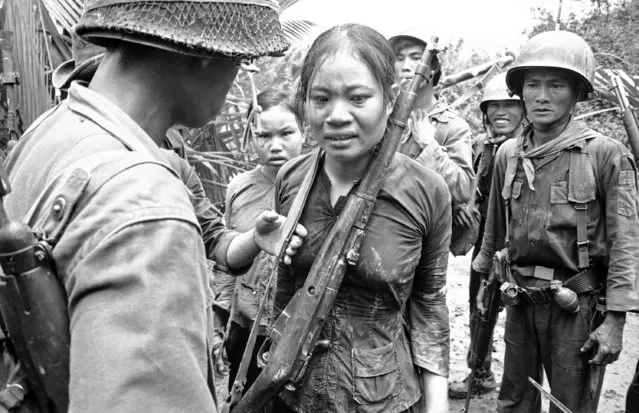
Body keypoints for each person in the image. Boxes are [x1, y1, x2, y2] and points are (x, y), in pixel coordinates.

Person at [2, 1, 307, 412]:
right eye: (241, 59)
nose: (238, 76)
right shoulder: (146, 203)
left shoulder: (48, 133)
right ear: (202, 54)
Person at [271, 24, 451, 413]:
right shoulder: (292, 179)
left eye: (358, 98)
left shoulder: (426, 190)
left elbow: (429, 306)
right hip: (292, 393)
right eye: (321, 98)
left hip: (382, 398)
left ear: (389, 100)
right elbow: (284, 293)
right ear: (304, 102)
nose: (337, 116)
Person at [472, 30, 639, 413]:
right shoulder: (508, 154)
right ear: (521, 90)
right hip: (518, 297)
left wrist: (615, 321)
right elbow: (494, 230)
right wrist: (486, 283)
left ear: (578, 93)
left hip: (575, 305)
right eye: (532, 84)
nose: (542, 96)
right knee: (514, 400)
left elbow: (626, 244)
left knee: (570, 405)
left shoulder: (606, 156)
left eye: (557, 85)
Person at [213, 87, 304, 393]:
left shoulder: (321, 185)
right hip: (246, 323)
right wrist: (218, 324)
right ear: (252, 136)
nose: (275, 146)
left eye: (287, 133)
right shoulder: (239, 188)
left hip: (297, 327)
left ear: (305, 132)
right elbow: (225, 264)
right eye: (264, 136)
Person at [448, 72, 525, 399]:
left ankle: (520, 386)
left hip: (527, 246)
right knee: (481, 309)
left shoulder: (532, 145)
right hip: (488, 243)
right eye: (493, 105)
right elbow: (469, 187)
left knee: (524, 321)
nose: (500, 112)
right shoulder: (482, 146)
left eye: (509, 104)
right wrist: (464, 207)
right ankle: (479, 373)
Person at [388, 27, 474, 206]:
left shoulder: (452, 126)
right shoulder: (381, 118)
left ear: (433, 68)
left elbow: (463, 189)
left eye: (416, 58)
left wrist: (429, 145)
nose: (405, 67)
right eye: (399, 58)